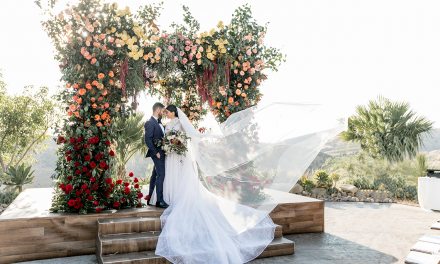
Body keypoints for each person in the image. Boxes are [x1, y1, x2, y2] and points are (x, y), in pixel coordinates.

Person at [152, 105, 278, 264]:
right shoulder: (166, 124)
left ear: (173, 112)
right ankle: (170, 196)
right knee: (170, 176)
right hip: (171, 154)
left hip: (179, 154)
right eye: (165, 112)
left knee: (179, 177)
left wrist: (177, 143)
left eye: (168, 112)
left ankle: (177, 196)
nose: (166, 114)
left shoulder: (180, 122)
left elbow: (189, 137)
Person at [144, 102, 169, 209]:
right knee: (161, 174)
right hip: (157, 153)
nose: (163, 114)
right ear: (158, 110)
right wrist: (156, 152)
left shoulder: (159, 123)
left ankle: (150, 198)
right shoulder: (150, 123)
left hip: (161, 152)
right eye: (163, 112)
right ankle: (159, 200)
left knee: (155, 175)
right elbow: (147, 140)